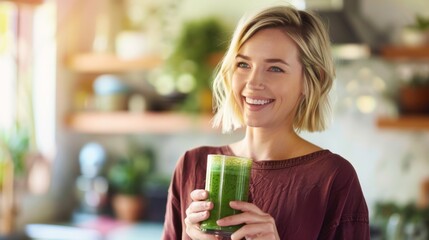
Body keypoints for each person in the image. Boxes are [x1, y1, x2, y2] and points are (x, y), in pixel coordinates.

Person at [162, 5, 370, 240]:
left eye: (275, 68)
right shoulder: (192, 166)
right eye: (243, 64)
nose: (253, 82)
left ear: (311, 79)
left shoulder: (333, 179)